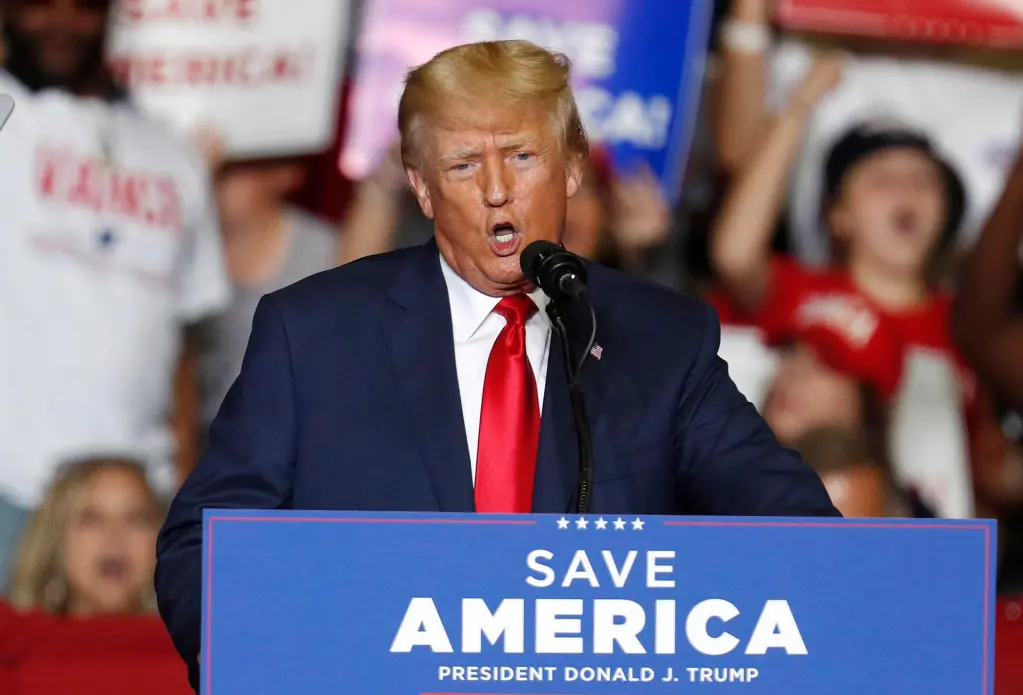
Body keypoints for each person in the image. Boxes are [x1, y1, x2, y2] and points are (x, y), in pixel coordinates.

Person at [155, 40, 840, 687]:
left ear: (571, 168)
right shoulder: (316, 333)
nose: (496, 190)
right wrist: (252, 660)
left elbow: (796, 528)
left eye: (521, 156)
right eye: (462, 165)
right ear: (422, 188)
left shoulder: (658, 339)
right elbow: (205, 542)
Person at [0, 0, 229, 580]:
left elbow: (184, 343)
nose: (60, 22)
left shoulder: (175, 157)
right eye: (39, 5)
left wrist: (183, 488)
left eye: (82, 7)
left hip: (138, 502)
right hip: (10, 489)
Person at [7, 457, 162, 615]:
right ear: (55, 537)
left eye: (135, 519)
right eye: (92, 519)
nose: (114, 536)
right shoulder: (9, 628)